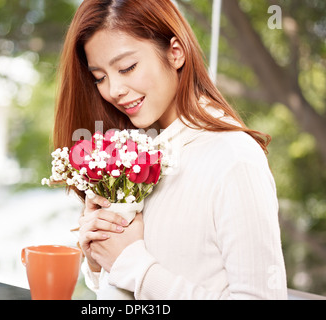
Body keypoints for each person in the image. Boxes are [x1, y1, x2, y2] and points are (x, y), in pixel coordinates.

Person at [53, 0, 287, 299]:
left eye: (127, 67)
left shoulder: (233, 157)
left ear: (175, 52)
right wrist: (100, 258)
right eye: (100, 77)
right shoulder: (128, 157)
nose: (113, 90)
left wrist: (136, 268)